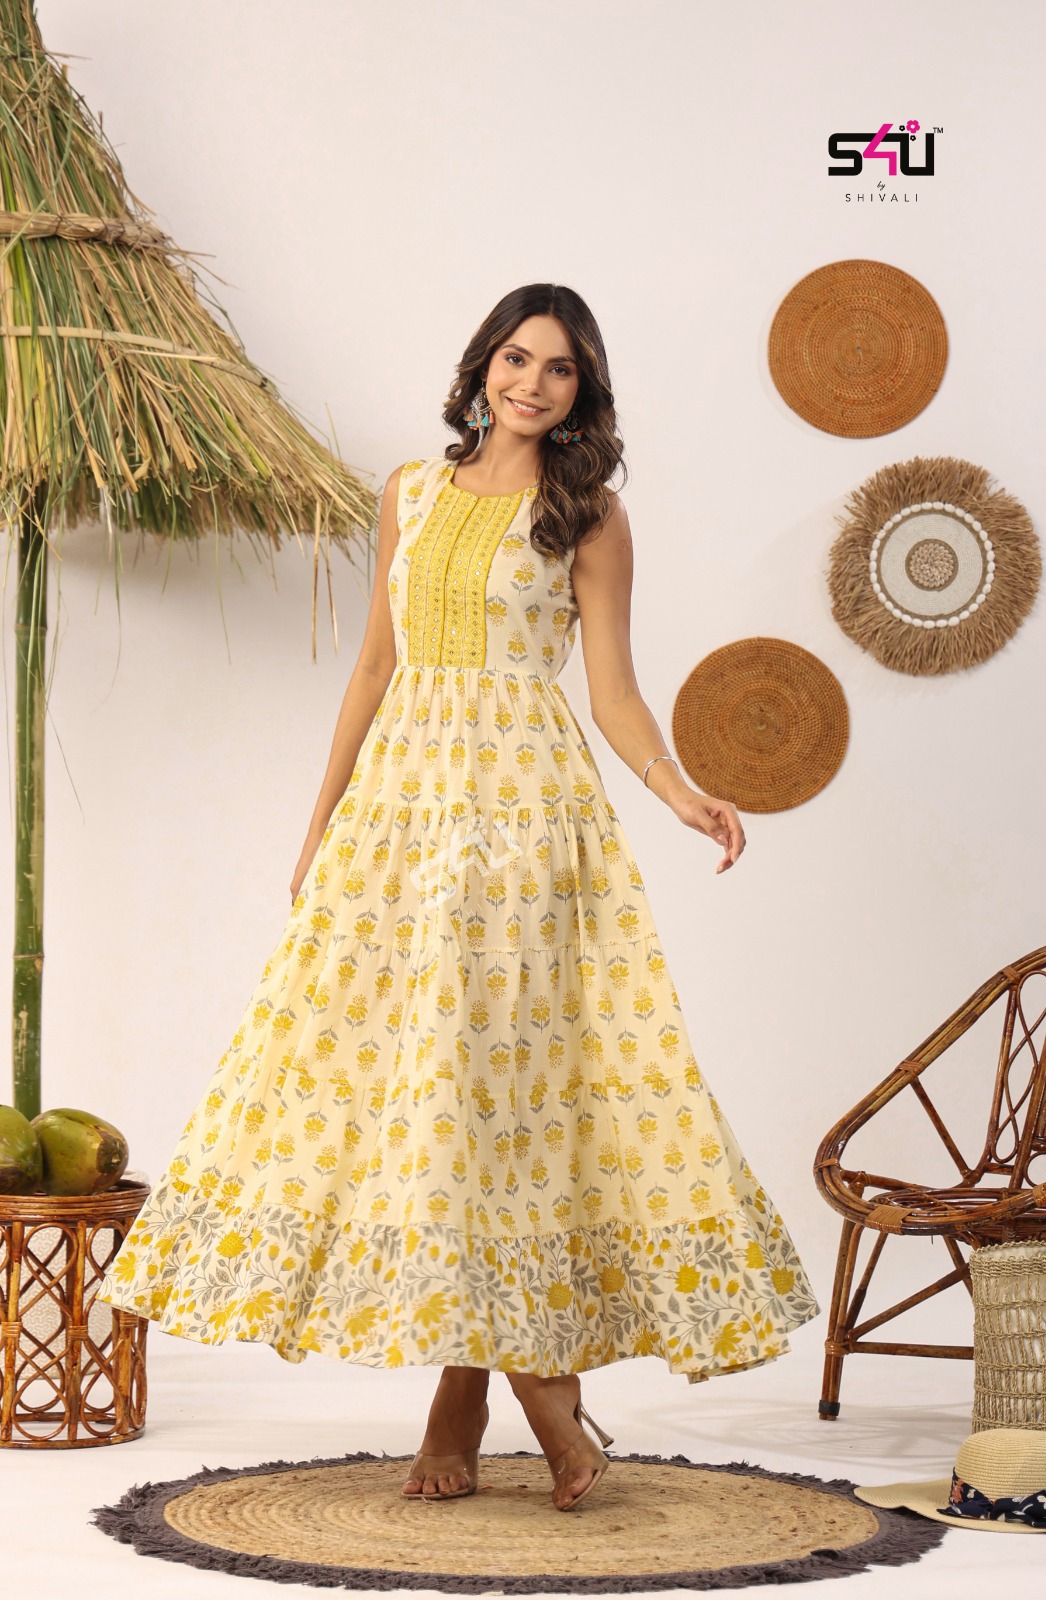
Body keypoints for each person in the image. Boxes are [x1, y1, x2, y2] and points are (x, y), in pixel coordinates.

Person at [95, 282, 818, 1513]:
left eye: (559, 370)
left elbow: (612, 690)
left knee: (499, 1094)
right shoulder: (408, 492)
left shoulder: (588, 516)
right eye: (515, 358)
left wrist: (680, 790)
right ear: (483, 364)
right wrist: (321, 823)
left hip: (525, 822)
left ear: (582, 394)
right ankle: (513, 1390)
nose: (531, 383)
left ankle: (486, 1395)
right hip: (401, 820)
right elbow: (374, 664)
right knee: (422, 1091)